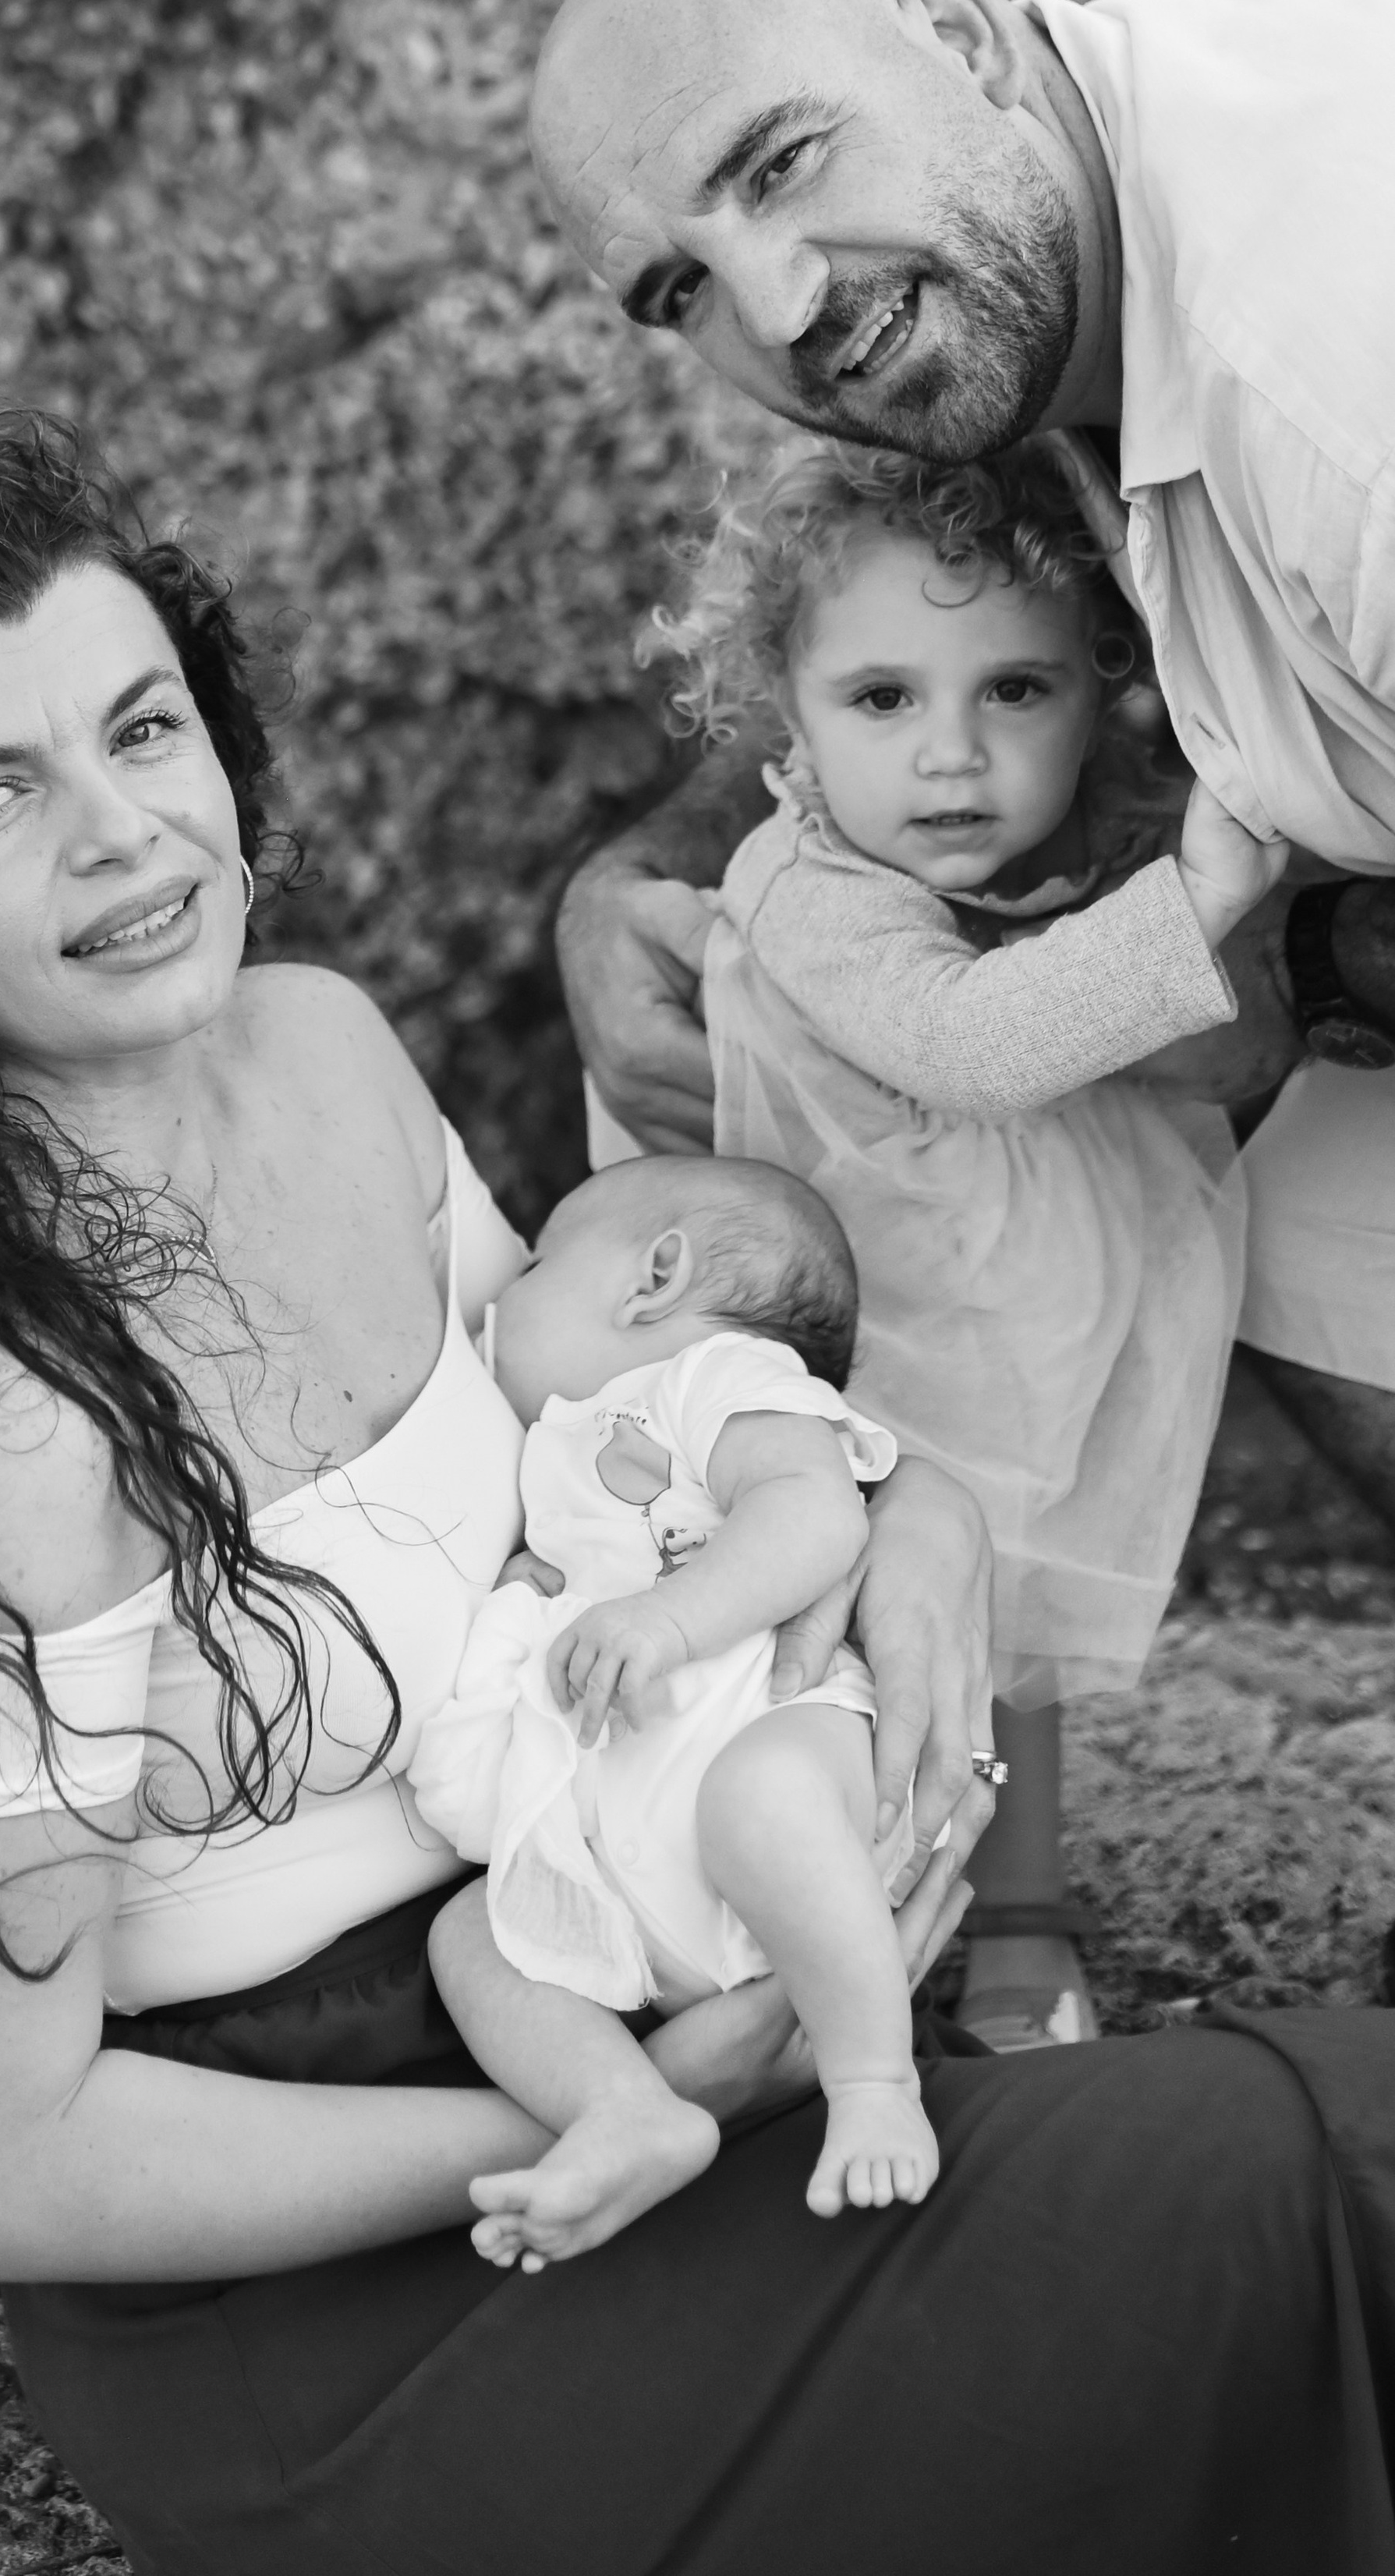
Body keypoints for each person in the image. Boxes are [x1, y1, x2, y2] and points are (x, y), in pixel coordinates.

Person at [0, 402, 1395, 2576]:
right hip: (355, 2290)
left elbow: (589, 1430)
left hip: (618, 2010)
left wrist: (903, 1506)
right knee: (1297, 2187)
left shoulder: (319, 1051)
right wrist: (639, 2101)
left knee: (1310, 2185)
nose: (126, 840)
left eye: (143, 731)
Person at [529, 0, 1395, 2044]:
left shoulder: (1333, 386)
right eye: (681, 289)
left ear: (950, 20)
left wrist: (1292, 947)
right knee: (1299, 1229)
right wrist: (645, 884)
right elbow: (868, 719)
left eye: (782, 160)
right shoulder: (1029, 280)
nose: (783, 308)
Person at [642, 438, 1269, 2045]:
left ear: (1103, 684)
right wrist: (1193, 905)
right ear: (780, 705)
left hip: (1026, 1319)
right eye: (880, 700)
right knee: (862, 1629)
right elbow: (972, 1041)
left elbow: (1223, 1044)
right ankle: (805, 1924)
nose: (951, 759)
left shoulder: (1082, 842)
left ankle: (1019, 1926)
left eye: (1015, 691)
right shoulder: (800, 882)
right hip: (872, 1323)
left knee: (1019, 1638)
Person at [412, 1151, 938, 2257]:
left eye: (540, 1264)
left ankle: (875, 2078)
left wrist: (668, 1623)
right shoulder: (552, 1457)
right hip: (631, 1892)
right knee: (471, 1938)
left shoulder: (720, 1379)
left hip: (784, 1772)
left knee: (762, 1796)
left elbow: (816, 1517)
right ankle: (626, 2111)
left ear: (654, 1277)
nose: (501, 1299)